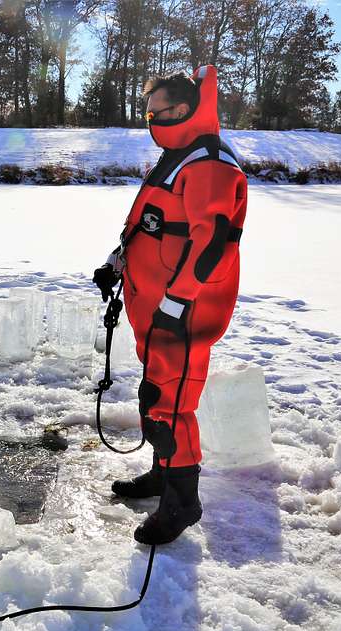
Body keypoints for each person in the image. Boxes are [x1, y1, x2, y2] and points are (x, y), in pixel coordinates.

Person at [93, 65, 247, 545]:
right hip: (154, 308)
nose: (148, 118)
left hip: (183, 314)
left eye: (153, 110)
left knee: (171, 403)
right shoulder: (177, 156)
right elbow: (150, 224)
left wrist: (178, 303)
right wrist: (117, 262)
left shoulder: (209, 163)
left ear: (181, 110)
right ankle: (163, 473)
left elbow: (212, 244)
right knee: (156, 394)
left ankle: (183, 502)